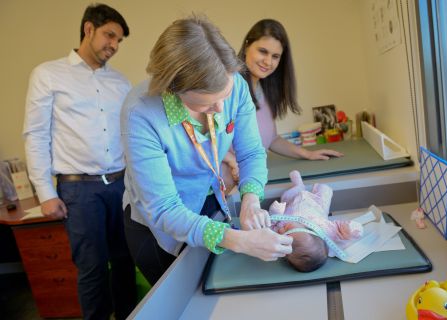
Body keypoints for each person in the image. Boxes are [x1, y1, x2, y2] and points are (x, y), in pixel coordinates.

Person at [121, 16, 293, 286]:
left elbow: (251, 152)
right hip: (159, 228)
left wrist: (250, 200)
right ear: (175, 90)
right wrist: (238, 240)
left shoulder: (235, 84)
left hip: (210, 201)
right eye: (207, 104)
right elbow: (165, 209)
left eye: (224, 98)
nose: (221, 111)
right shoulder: (140, 113)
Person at [23, 4, 136, 319]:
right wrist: (46, 193)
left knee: (126, 261)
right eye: (109, 35)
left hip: (121, 185)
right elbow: (36, 135)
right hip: (79, 191)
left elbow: (129, 135)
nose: (113, 46)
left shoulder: (120, 82)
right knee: (92, 268)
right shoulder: (48, 74)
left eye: (118, 40)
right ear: (89, 29)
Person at [222, 19, 343, 191]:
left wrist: (307, 153)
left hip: (243, 187)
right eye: (263, 51)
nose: (268, 62)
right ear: (247, 45)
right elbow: (201, 139)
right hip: (217, 188)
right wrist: (231, 160)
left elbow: (271, 139)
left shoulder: (263, 89)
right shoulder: (229, 86)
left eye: (275, 56)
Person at [269, 170, 363, 272]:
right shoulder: (324, 230)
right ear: (310, 231)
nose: (282, 230)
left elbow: (270, 223)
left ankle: (299, 184)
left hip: (292, 202)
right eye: (288, 229)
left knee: (290, 194)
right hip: (316, 203)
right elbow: (341, 230)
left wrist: (274, 212)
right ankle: (307, 187)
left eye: (284, 232)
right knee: (324, 192)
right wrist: (351, 230)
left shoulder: (278, 236)